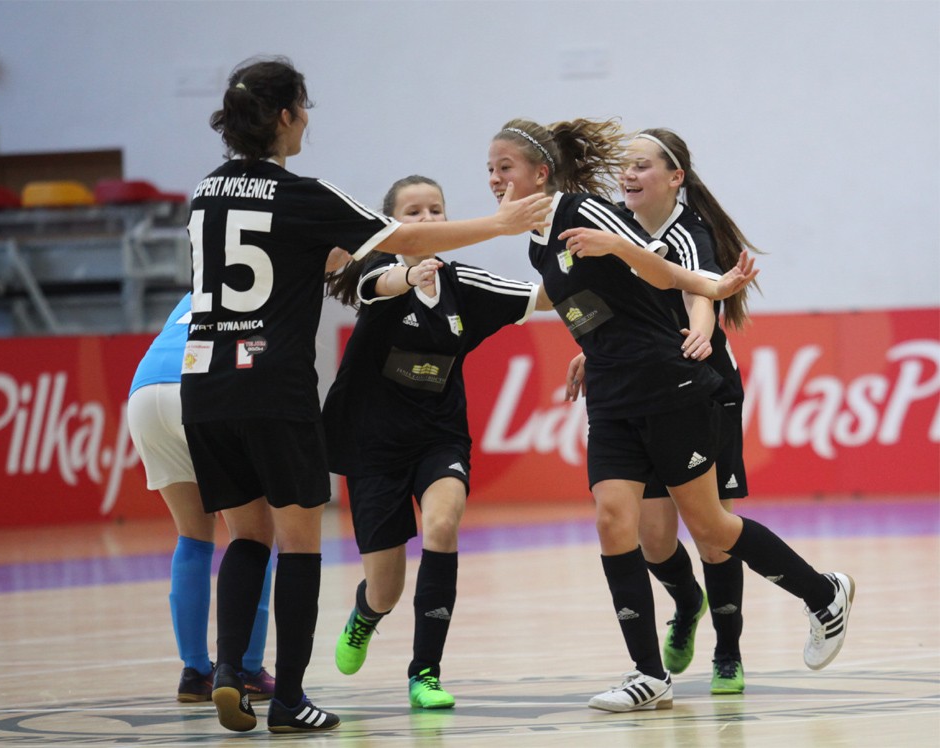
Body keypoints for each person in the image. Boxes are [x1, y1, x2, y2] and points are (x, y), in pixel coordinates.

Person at [181, 57, 552, 734]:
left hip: (204, 384)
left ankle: (229, 670)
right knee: (298, 544)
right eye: (304, 109)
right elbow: (396, 248)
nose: (307, 121)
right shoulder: (303, 196)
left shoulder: (205, 193)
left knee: (246, 538)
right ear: (286, 115)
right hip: (273, 385)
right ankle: (290, 699)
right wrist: (498, 225)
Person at [487, 118, 855, 713]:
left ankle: (820, 594)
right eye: (489, 170)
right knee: (615, 521)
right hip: (612, 395)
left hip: (671, 386)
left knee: (711, 529)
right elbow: (600, 303)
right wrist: (591, 348)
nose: (494, 179)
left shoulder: (589, 212)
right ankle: (648, 674)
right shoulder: (538, 243)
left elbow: (668, 277)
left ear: (540, 173)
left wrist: (711, 288)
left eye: (504, 168)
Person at [323, 175, 553, 710]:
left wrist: (596, 259)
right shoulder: (377, 269)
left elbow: (543, 297)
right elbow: (380, 285)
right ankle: (365, 616)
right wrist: (408, 275)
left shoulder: (463, 283)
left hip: (438, 437)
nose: (427, 220)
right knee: (385, 589)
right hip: (373, 444)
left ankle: (424, 672)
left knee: (443, 526)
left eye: (435, 210)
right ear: (392, 224)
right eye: (414, 212)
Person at [564, 128, 759, 695]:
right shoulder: (613, 227)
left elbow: (701, 290)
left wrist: (699, 331)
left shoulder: (687, 231)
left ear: (675, 178)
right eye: (624, 166)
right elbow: (612, 305)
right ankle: (687, 601)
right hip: (642, 392)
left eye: (642, 165)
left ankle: (728, 652)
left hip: (704, 388)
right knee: (653, 539)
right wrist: (592, 349)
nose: (628, 174)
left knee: (713, 533)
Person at [127, 293, 276, 704]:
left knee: (192, 537)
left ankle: (194, 672)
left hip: (144, 393)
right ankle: (247, 668)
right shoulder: (263, 285)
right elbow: (256, 355)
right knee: (253, 537)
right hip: (194, 389)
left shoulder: (198, 286)